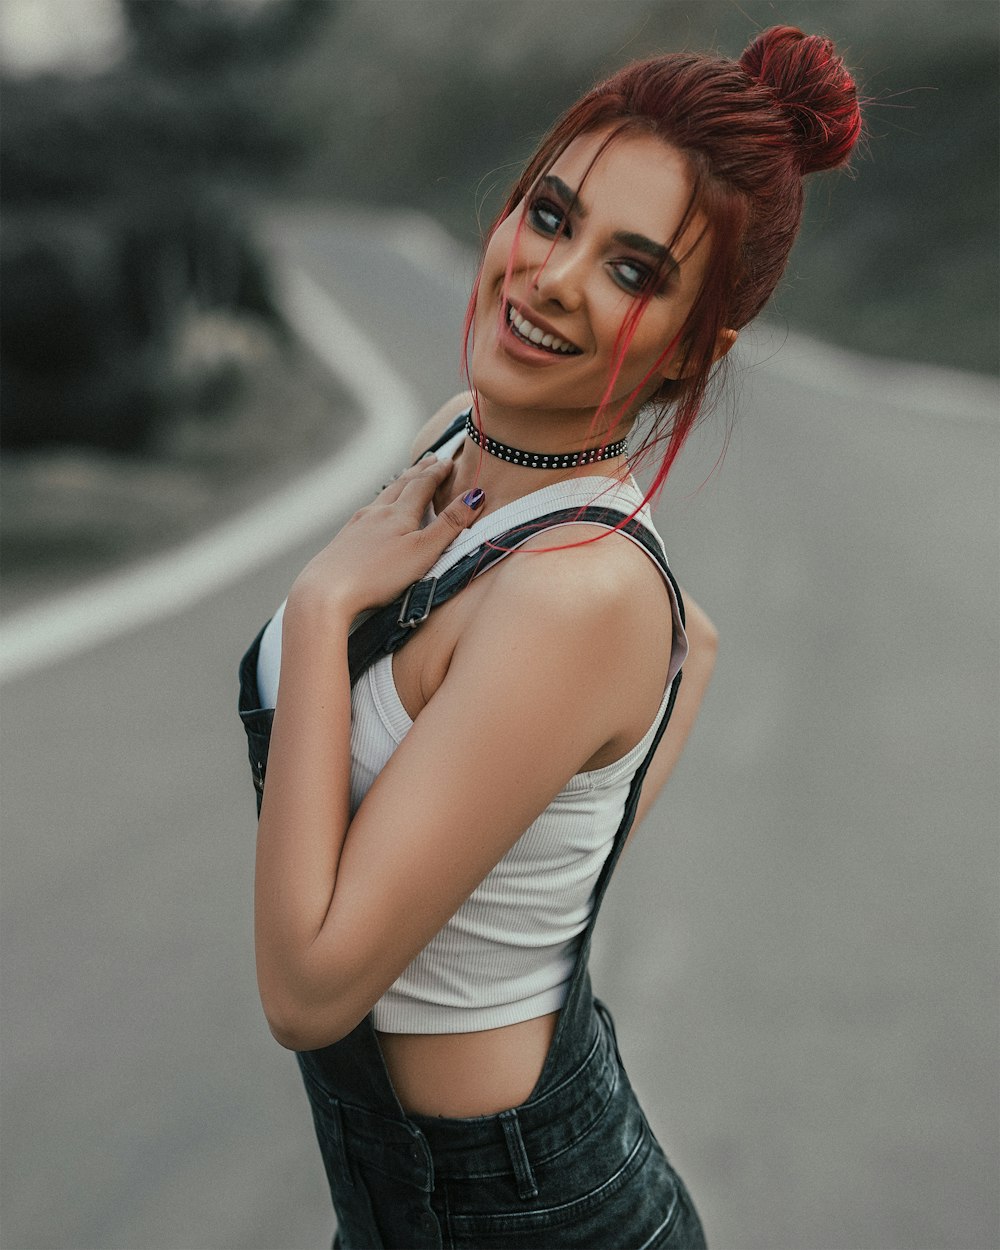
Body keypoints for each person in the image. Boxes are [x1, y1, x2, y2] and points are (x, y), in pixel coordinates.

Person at [238, 24, 862, 1249]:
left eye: (633, 272)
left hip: (519, 1215)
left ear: (695, 348)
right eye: (550, 213)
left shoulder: (577, 591)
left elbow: (308, 990)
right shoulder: (458, 433)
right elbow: (702, 649)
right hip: (404, 1198)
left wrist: (320, 614)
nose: (554, 277)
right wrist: (543, 863)